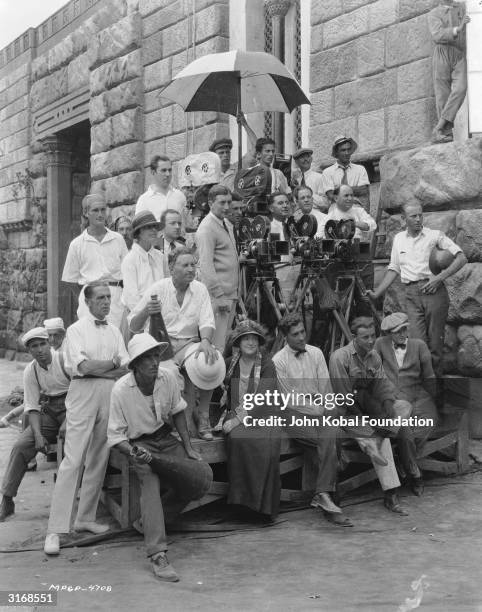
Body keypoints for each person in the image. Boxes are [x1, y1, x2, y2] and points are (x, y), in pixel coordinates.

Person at [108, 333, 212, 582]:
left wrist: (187, 447)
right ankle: (157, 554)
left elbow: (178, 411)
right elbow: (114, 436)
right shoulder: (121, 389)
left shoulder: (166, 378)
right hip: (138, 444)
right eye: (147, 358)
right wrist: (134, 452)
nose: (154, 362)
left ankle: (148, 522)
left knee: (197, 478)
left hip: (165, 439)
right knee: (150, 483)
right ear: (135, 365)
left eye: (156, 356)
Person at [44, 282, 129, 555]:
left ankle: (85, 518)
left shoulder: (115, 330)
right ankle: (55, 529)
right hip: (82, 394)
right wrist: (111, 365)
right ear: (88, 302)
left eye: (108, 298)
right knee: (73, 460)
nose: (106, 302)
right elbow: (82, 367)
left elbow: (126, 366)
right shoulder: (75, 330)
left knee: (99, 457)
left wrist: (105, 368)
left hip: (109, 395)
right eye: (100, 298)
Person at [366, 202, 467, 376]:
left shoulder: (434, 235)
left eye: (421, 215)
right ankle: (421, 391)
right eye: (413, 216)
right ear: (404, 219)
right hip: (411, 295)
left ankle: (436, 397)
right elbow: (393, 269)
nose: (419, 219)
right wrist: (377, 293)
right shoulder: (398, 239)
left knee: (435, 346)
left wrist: (439, 278)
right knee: (416, 344)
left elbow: (461, 258)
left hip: (434, 294)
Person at [128, 248, 218, 440]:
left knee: (211, 361)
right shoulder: (159, 288)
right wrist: (146, 311)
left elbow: (207, 321)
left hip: (188, 344)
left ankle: (202, 416)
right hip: (161, 349)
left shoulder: (200, 289)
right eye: (184, 265)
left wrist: (206, 341)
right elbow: (133, 326)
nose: (190, 269)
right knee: (169, 374)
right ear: (171, 268)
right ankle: (171, 425)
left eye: (193, 264)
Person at [272, 313, 353, 527]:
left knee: (330, 426)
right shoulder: (278, 361)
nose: (301, 337)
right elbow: (290, 400)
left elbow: (325, 387)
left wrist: (325, 406)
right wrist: (320, 409)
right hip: (294, 416)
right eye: (295, 334)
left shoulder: (316, 353)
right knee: (331, 435)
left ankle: (323, 494)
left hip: (320, 412)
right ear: (285, 337)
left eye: (302, 332)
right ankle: (339, 462)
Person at [329, 317, 412, 515]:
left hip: (370, 409)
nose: (370, 340)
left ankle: (378, 434)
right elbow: (343, 399)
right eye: (365, 337)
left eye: (373, 336)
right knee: (375, 433)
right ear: (353, 337)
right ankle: (391, 493)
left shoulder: (374, 356)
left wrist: (388, 408)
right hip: (346, 413)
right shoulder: (339, 358)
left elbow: (383, 386)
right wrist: (369, 419)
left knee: (404, 406)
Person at [0, 328, 69, 522]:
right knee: (21, 446)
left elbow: (82, 395)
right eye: (34, 347)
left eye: (42, 344)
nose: (39, 350)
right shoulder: (31, 370)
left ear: (49, 343)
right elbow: (31, 405)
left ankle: (68, 502)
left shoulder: (65, 360)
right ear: (29, 351)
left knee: (74, 444)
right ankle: (7, 498)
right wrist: (38, 435)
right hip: (48, 410)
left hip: (73, 409)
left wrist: (68, 420)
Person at [222, 320, 282, 518]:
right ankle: (241, 505)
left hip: (264, 414)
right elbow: (213, 381)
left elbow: (263, 398)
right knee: (238, 440)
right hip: (237, 413)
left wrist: (237, 421)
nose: (250, 342)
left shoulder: (266, 363)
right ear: (238, 342)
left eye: (254, 339)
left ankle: (263, 508)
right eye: (245, 338)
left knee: (267, 446)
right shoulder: (230, 362)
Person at [374, 313, 437, 496]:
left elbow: (430, 376)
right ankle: (415, 474)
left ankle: (403, 460)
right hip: (392, 399)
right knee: (405, 432)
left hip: (418, 396)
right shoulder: (380, 344)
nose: (403, 334)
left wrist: (435, 399)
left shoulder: (419, 345)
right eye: (397, 331)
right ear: (388, 333)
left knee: (428, 422)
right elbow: (374, 373)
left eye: (404, 329)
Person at [62, 193, 128, 328]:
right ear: (86, 213)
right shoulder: (77, 244)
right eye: (95, 210)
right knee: (91, 340)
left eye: (103, 210)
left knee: (115, 339)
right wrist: (86, 297)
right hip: (90, 299)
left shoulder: (117, 239)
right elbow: (70, 280)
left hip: (115, 298)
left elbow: (128, 272)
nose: (100, 214)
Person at [196, 184, 239, 354]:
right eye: (222, 203)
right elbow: (205, 266)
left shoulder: (224, 223)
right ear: (210, 202)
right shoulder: (207, 228)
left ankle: (217, 379)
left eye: (229, 202)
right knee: (215, 345)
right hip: (218, 297)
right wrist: (219, 295)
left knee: (222, 344)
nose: (227, 207)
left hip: (230, 294)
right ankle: (211, 379)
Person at [428, 0, 470, 142]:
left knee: (461, 89)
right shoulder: (433, 14)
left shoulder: (462, 7)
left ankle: (439, 126)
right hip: (442, 52)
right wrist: (456, 29)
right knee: (442, 94)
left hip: (459, 54)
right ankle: (445, 133)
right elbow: (437, 35)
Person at [121, 211, 164, 313]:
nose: (154, 230)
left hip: (162, 315)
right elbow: (131, 297)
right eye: (148, 227)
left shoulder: (160, 257)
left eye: (155, 227)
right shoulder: (130, 260)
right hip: (138, 318)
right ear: (138, 232)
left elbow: (167, 287)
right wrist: (144, 317)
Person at [135, 155, 187, 226]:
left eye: (170, 170)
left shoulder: (180, 196)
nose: (168, 174)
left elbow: (186, 224)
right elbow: (140, 228)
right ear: (153, 172)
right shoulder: (144, 200)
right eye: (163, 170)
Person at [322, 136, 370, 210]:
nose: (347, 153)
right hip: (337, 209)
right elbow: (331, 195)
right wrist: (354, 190)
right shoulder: (327, 172)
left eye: (348, 149)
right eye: (343, 150)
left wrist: (339, 190)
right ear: (336, 153)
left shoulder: (360, 169)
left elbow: (364, 190)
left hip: (357, 208)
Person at [158, 209, 186, 277]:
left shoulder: (182, 247)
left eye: (179, 223)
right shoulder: (155, 247)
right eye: (173, 223)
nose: (177, 227)